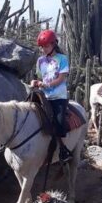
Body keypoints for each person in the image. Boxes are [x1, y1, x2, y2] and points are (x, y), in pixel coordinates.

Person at [30, 29, 72, 163]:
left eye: (46, 46)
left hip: (58, 96)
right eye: (42, 47)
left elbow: (61, 78)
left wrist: (47, 85)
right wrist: (35, 82)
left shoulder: (62, 59)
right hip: (43, 95)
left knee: (59, 122)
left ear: (53, 44)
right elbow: (39, 77)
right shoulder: (40, 60)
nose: (44, 49)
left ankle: (63, 149)